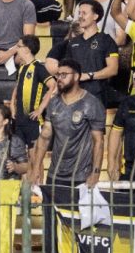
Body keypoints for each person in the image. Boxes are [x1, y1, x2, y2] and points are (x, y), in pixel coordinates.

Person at [28, 59, 106, 194]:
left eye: (64, 75)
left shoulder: (91, 103)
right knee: (53, 214)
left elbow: (98, 141)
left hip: (81, 176)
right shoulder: (53, 103)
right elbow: (45, 137)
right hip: (55, 173)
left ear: (76, 76)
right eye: (58, 75)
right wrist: (36, 168)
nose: (59, 79)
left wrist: (95, 172)